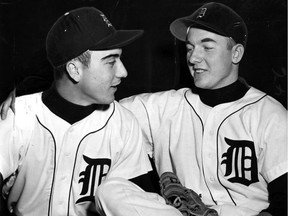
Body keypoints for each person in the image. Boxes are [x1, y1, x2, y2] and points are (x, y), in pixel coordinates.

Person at [1, 2, 287, 216]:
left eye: (207, 47)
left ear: (236, 53)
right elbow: (80, 101)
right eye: (189, 48)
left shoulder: (270, 114)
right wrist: (34, 87)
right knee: (111, 191)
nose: (194, 57)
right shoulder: (161, 107)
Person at [0, 6, 183, 216]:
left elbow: (137, 205)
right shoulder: (18, 114)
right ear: (74, 70)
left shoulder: (123, 123)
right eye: (111, 61)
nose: (123, 71)